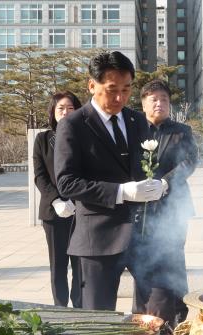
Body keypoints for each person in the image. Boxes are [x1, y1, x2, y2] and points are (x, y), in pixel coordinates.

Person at [55, 51, 166, 310]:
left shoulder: (137, 120)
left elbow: (147, 166)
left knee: (159, 308)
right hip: (98, 238)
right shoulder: (73, 125)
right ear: (91, 85)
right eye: (112, 89)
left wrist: (158, 184)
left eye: (127, 89)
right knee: (99, 318)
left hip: (143, 234)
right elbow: (67, 182)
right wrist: (122, 192)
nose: (120, 98)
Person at [131, 79, 197, 329]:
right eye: (154, 99)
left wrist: (166, 183)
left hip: (173, 207)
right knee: (141, 260)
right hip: (141, 209)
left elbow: (189, 161)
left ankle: (177, 311)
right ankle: (142, 313)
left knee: (172, 257)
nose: (159, 103)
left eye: (164, 99)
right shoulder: (134, 129)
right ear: (143, 102)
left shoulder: (182, 131)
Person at [33, 91, 83, 307]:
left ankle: (82, 309)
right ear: (53, 113)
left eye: (70, 108)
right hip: (54, 213)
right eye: (60, 108)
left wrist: (76, 199)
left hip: (80, 210)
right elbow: (40, 175)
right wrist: (56, 200)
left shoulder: (86, 137)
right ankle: (60, 309)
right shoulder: (43, 139)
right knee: (58, 265)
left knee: (81, 265)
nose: (65, 112)